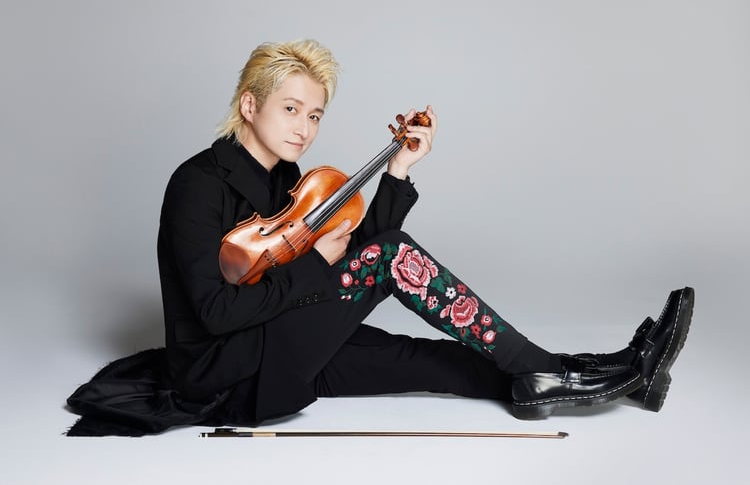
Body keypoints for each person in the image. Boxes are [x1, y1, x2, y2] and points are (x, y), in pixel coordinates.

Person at [66, 39, 693, 435]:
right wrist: (316, 266)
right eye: (291, 109)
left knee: (430, 361)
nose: (305, 128)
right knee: (392, 256)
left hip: (284, 344)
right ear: (250, 106)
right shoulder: (197, 185)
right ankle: (551, 373)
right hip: (230, 371)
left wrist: (398, 171)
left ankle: (612, 375)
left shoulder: (290, 182)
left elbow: (358, 252)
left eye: (315, 114)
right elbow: (216, 311)